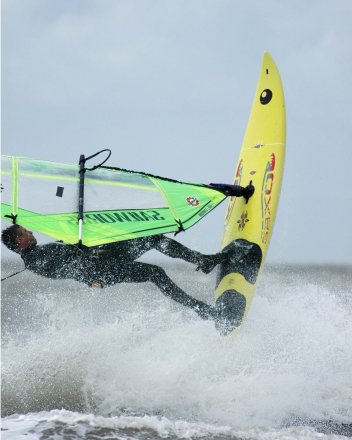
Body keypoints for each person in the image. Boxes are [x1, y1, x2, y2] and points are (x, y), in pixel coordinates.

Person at [1, 224, 228, 321]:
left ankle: (203, 260)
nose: (30, 231)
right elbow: (71, 265)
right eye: (25, 231)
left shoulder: (38, 253)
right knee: (156, 273)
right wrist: (79, 247)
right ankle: (202, 309)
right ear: (19, 240)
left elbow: (70, 252)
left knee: (152, 238)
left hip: (103, 256)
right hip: (101, 271)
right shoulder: (35, 259)